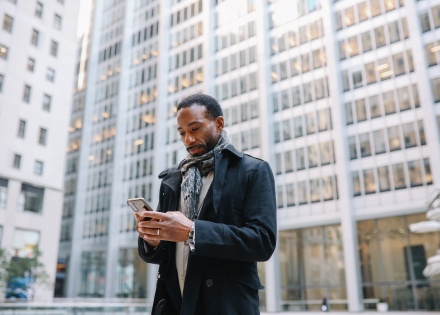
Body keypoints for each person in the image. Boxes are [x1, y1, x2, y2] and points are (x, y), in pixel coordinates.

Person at [134, 94, 277, 315]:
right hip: (174, 305)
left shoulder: (252, 171)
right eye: (182, 133)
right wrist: (152, 240)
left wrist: (193, 232)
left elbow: (263, 242)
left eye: (195, 129)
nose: (188, 139)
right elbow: (165, 256)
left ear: (219, 124)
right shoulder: (173, 179)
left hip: (226, 306)